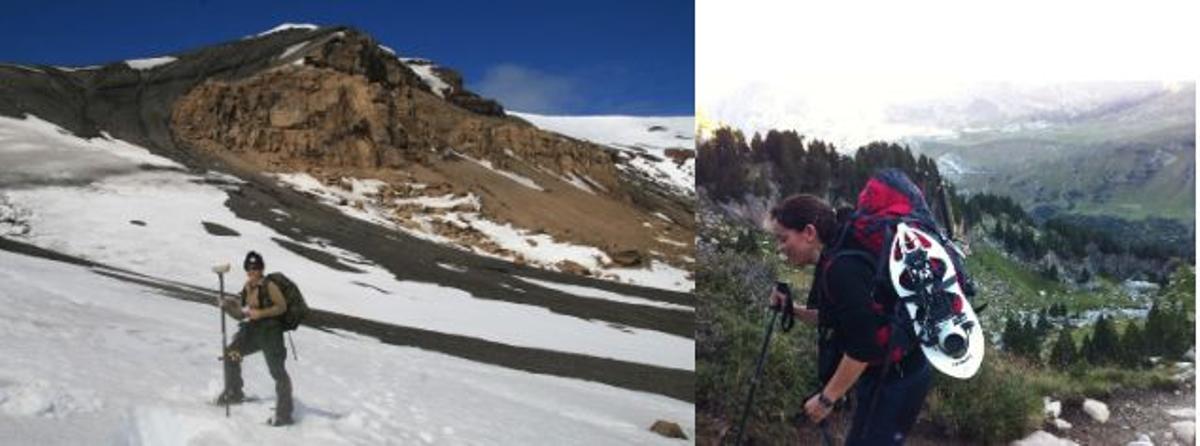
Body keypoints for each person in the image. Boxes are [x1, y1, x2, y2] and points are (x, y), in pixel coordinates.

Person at [768, 194, 931, 445]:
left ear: (809, 232)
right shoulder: (834, 255)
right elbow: (839, 319)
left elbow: (862, 346)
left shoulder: (841, 268)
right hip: (887, 369)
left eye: (783, 238)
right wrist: (793, 309)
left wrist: (826, 399)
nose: (780, 247)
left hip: (899, 377)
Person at [217, 251, 294, 426]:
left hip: (271, 332)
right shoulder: (247, 287)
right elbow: (241, 314)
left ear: (261, 269)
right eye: (249, 268)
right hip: (252, 331)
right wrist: (226, 306)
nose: (252, 271)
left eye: (256, 268)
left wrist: (261, 313)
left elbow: (282, 307)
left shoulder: (270, 286)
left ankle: (284, 413)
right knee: (231, 353)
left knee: (277, 371)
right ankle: (234, 392)